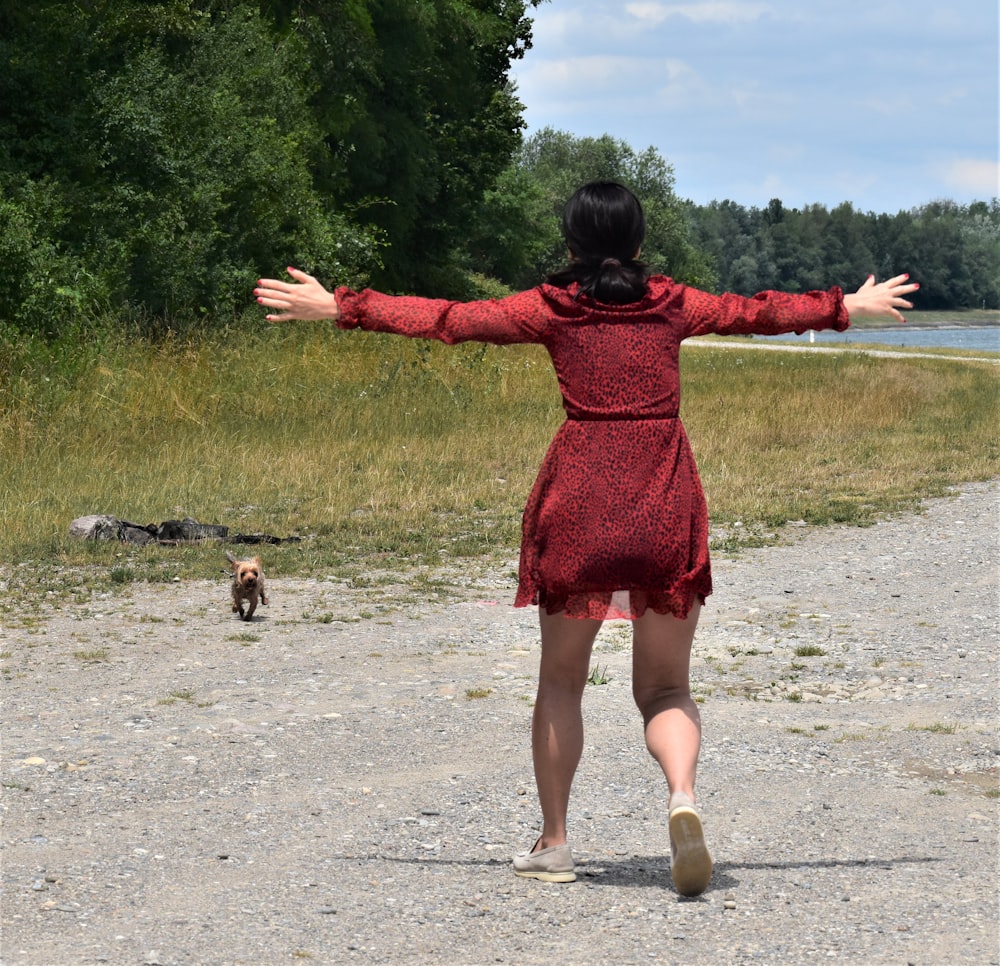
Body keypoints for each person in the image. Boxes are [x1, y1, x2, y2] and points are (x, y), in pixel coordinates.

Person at [254, 181, 917, 896]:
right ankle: (682, 798)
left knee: (561, 681)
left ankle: (556, 844)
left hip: (579, 505)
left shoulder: (552, 306)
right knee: (665, 687)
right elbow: (755, 311)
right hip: (663, 501)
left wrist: (343, 306)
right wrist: (845, 306)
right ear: (637, 242)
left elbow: (451, 318)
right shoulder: (673, 303)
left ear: (571, 243)